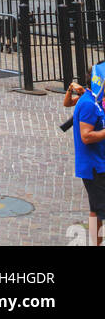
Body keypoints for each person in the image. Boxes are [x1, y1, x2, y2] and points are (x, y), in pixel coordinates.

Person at [72, 62, 105, 247]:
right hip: (95, 167)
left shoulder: (95, 100)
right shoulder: (89, 105)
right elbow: (86, 136)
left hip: (98, 163)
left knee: (95, 210)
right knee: (100, 210)